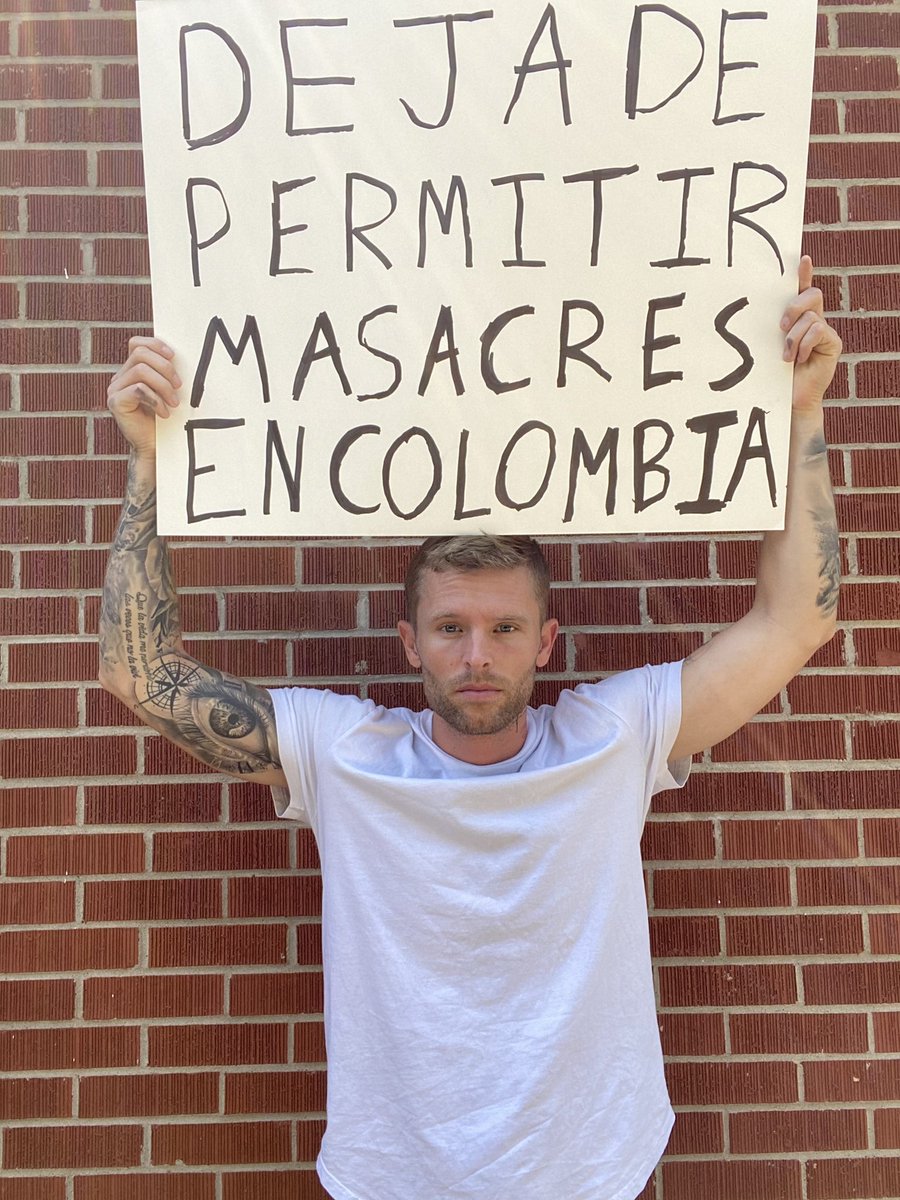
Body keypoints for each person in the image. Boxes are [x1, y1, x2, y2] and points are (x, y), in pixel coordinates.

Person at [99, 256, 841, 1200]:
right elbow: (140, 674)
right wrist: (150, 461)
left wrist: (802, 413)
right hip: (395, 1176)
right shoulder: (342, 753)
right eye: (451, 628)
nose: (478, 655)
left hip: (586, 1174)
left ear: (547, 639)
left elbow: (798, 620)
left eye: (504, 628)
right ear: (411, 641)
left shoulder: (614, 738)